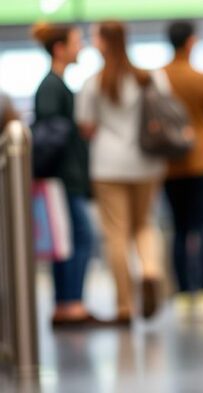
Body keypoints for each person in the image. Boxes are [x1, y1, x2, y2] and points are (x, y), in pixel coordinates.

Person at [76, 21, 167, 323]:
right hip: (146, 162)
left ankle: (125, 306)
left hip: (107, 165)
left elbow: (85, 125)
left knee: (116, 233)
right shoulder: (148, 77)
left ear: (103, 42)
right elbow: (166, 109)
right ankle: (151, 271)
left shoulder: (93, 82)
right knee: (145, 223)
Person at [30, 23, 109, 327]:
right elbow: (51, 132)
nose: (81, 48)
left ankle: (68, 302)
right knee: (79, 238)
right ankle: (70, 303)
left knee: (71, 239)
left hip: (66, 177)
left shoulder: (58, 83)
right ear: (60, 48)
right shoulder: (52, 85)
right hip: (62, 178)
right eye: (76, 43)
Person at [162, 21, 203, 313]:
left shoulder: (160, 77)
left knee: (178, 227)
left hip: (171, 163)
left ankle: (182, 293)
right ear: (190, 42)